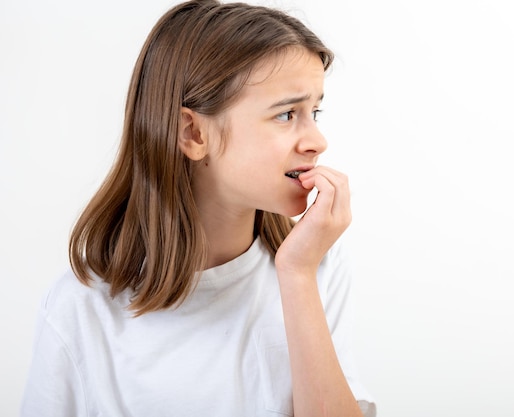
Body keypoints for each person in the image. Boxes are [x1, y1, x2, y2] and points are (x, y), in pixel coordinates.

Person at [20, 0, 376, 416]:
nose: (317, 140)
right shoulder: (81, 308)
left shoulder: (316, 271)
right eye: (286, 114)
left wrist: (297, 275)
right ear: (192, 132)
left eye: (314, 111)